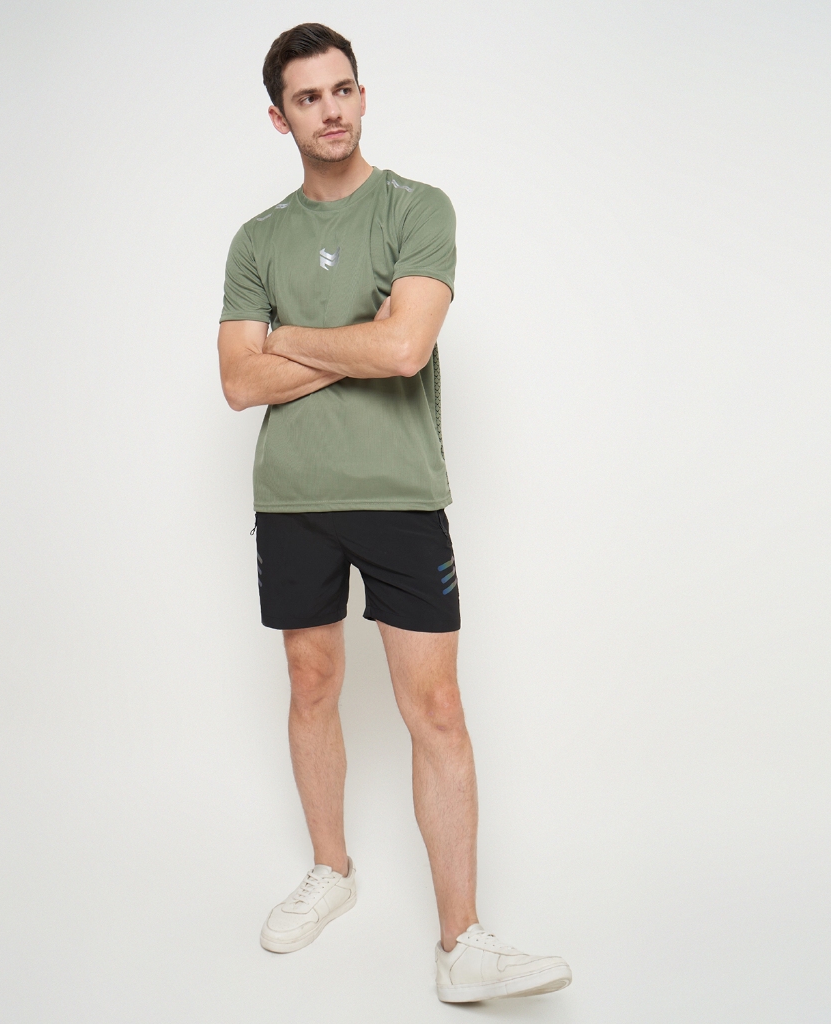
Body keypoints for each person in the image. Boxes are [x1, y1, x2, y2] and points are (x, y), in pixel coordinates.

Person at [216, 23, 571, 1003]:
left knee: (436, 707)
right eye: (308, 98)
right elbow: (238, 382)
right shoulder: (257, 240)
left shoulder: (418, 208)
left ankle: (461, 940)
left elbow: (406, 348)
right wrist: (354, 337)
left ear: (363, 96)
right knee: (311, 682)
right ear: (280, 118)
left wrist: (291, 338)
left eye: (343, 90)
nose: (330, 111)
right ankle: (330, 870)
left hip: (401, 494)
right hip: (292, 496)